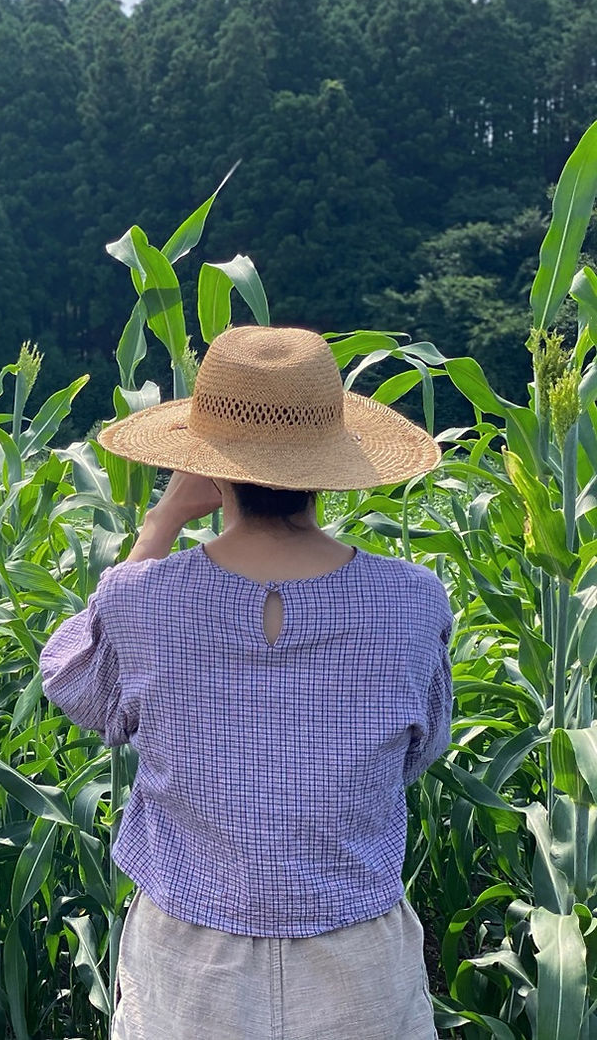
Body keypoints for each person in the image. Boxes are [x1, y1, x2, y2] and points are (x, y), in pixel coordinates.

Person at [40, 326, 452, 1040]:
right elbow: (421, 748)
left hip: (189, 961)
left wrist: (164, 518)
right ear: (330, 464)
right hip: (356, 957)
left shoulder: (142, 598)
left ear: (210, 467)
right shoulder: (413, 600)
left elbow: (75, 683)